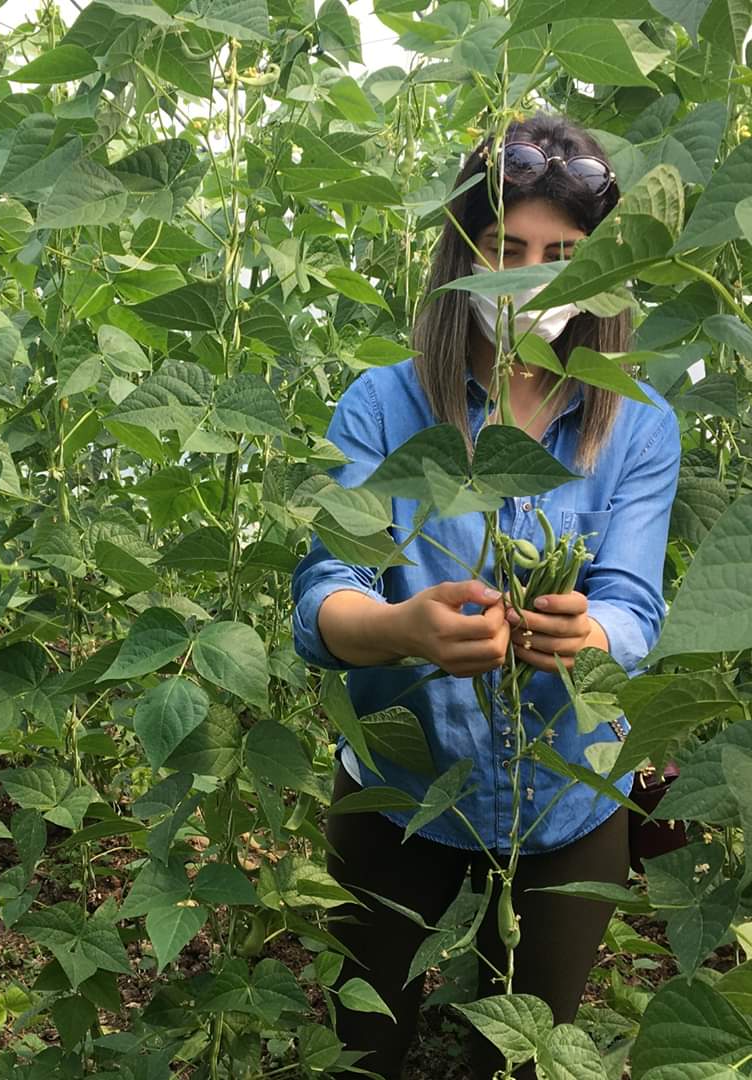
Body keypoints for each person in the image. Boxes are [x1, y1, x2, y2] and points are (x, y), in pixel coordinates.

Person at [291, 114, 681, 1078]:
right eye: (504, 250)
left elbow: (634, 609)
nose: (531, 281)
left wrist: (587, 630)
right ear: (459, 256)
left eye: (564, 256)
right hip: (404, 780)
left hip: (568, 795)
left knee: (524, 1054)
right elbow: (322, 599)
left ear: (601, 273)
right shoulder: (385, 406)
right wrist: (397, 630)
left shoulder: (634, 424)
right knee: (365, 1044)